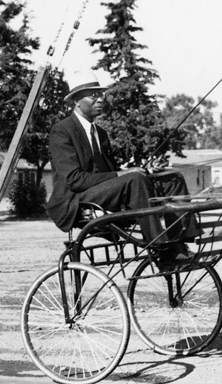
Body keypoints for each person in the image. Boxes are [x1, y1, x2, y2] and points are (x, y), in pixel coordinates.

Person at [46, 69, 198, 263]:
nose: (100, 99)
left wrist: (146, 170)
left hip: (101, 192)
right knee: (134, 179)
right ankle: (162, 248)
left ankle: (180, 241)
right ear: (76, 100)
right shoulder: (61, 132)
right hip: (75, 200)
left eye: (100, 94)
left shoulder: (100, 134)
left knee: (172, 177)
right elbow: (74, 180)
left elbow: (113, 174)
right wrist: (126, 173)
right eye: (93, 95)